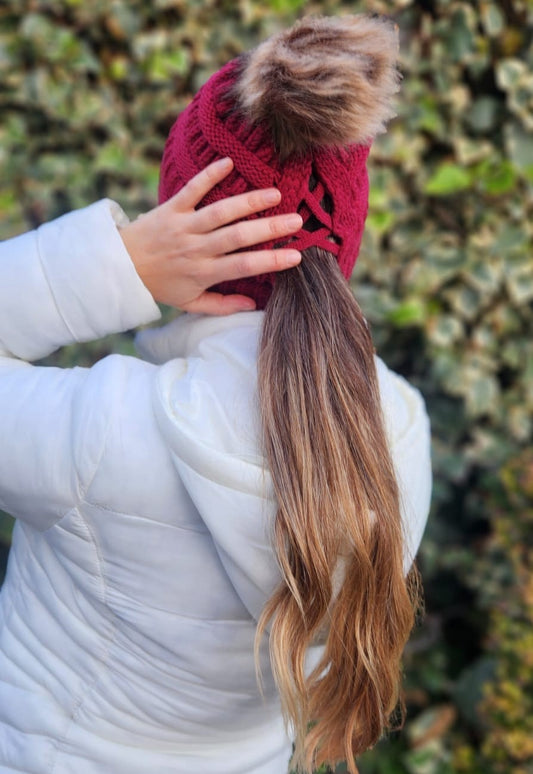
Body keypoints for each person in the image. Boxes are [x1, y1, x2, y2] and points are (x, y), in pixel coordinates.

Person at [0, 14, 431, 774]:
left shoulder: (104, 434)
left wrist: (116, 265)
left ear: (184, 226)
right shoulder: (396, 431)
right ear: (342, 240)